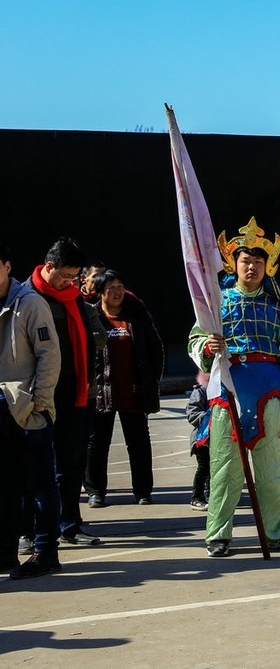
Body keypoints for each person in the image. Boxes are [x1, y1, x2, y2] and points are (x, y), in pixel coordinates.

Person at [188, 218, 280, 557]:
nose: (251, 266)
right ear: (233, 263)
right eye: (245, 260)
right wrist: (207, 348)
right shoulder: (216, 303)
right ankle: (218, 535)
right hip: (229, 390)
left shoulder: (278, 306)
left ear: (267, 266)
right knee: (225, 468)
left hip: (270, 391)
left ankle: (278, 532)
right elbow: (195, 339)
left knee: (272, 468)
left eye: (257, 261)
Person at [28, 238, 107, 548]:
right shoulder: (27, 296)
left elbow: (94, 340)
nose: (70, 282)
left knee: (71, 462)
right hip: (36, 391)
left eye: (74, 277)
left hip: (74, 391)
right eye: (65, 275)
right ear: (49, 267)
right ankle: (29, 529)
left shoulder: (75, 300)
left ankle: (70, 525)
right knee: (32, 462)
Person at [0, 244, 63, 579]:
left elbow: (49, 355)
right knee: (5, 485)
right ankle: (6, 553)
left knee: (40, 484)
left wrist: (39, 401)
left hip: (28, 408)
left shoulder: (29, 303)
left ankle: (45, 552)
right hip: (1, 408)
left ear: (7, 266)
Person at [84, 270, 163, 507]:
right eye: (111, 288)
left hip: (134, 391)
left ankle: (143, 491)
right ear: (100, 292)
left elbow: (155, 349)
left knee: (139, 442)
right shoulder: (90, 315)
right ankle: (95, 491)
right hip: (101, 392)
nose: (117, 292)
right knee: (97, 443)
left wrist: (151, 381)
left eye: (120, 286)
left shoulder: (137, 315)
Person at [185, 381, 211, 510]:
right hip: (203, 439)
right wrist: (212, 417)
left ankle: (212, 496)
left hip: (222, 438)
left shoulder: (230, 386)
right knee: (204, 468)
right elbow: (192, 413)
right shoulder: (202, 389)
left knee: (216, 470)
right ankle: (197, 497)